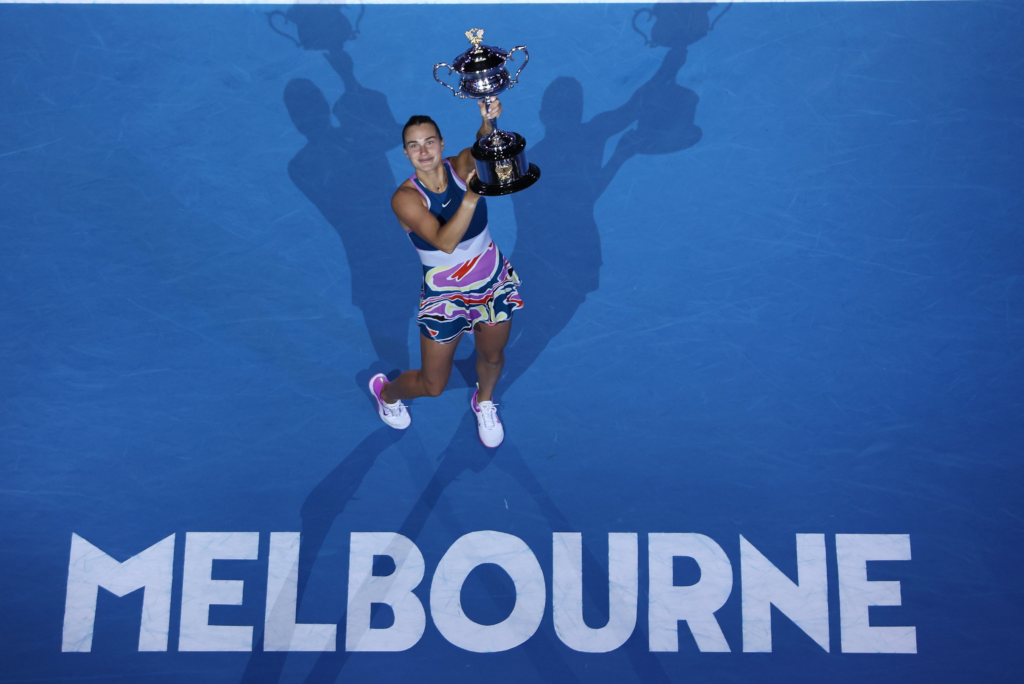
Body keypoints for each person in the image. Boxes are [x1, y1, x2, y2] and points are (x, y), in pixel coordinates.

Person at [368, 100, 522, 448]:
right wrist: (471, 195)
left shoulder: (460, 165)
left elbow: (483, 146)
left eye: (429, 142)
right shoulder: (405, 199)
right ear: (406, 153)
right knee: (432, 386)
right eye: (414, 145)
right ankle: (386, 392)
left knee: (493, 355)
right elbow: (444, 242)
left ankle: (484, 401)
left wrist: (489, 122)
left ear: (441, 143)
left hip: (491, 281)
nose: (423, 151)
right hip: (444, 297)